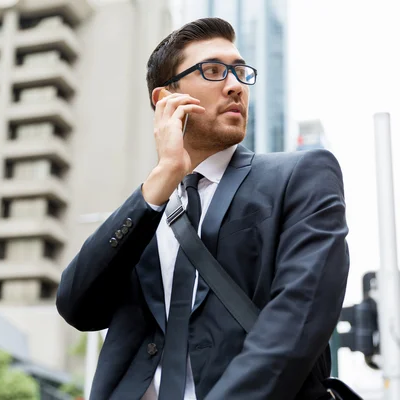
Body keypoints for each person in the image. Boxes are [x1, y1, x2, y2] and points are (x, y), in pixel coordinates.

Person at [56, 17, 349, 400]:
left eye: (240, 72)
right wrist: (161, 180)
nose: (235, 86)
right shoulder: (146, 209)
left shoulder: (302, 175)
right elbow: (78, 307)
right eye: (213, 71)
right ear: (165, 99)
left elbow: (297, 319)